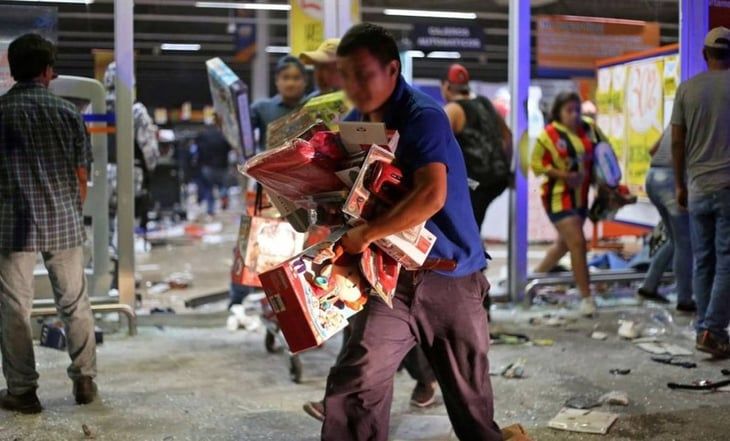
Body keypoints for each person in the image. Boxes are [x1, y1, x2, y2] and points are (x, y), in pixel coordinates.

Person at [321, 23, 501, 441]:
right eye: (346, 76)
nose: (354, 87)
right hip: (391, 280)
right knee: (357, 382)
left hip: (449, 276)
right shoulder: (355, 122)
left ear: (392, 70)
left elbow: (431, 195)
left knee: (470, 402)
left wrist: (366, 234)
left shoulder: (425, 116)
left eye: (363, 75)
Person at [300, 37, 438, 422]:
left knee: (386, 325)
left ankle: (423, 380)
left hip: (397, 237)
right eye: (322, 68)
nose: (322, 74)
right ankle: (354, 406)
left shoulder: (399, 112)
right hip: (356, 230)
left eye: (329, 67)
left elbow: (425, 186)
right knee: (368, 330)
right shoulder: (326, 108)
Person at [0, 34, 98, 414]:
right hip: (64, 221)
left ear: (12, 69)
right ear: (47, 71)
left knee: (14, 309)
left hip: (13, 225)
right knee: (74, 302)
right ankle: (85, 379)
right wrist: (71, 209)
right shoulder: (67, 113)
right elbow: (80, 176)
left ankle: (23, 391)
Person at [672, 26, 730, 358]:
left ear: (705, 55)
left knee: (703, 261)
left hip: (696, 188)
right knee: (726, 261)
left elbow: (677, 141)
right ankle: (714, 330)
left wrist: (680, 183)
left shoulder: (686, 90)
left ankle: (703, 328)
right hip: (726, 187)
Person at [531, 91, 597, 317]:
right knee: (578, 243)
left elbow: (601, 157)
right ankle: (586, 297)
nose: (575, 115)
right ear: (558, 112)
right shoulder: (548, 135)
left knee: (564, 246)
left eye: (577, 110)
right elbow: (536, 165)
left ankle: (531, 281)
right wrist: (563, 175)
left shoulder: (589, 129)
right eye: (569, 110)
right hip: (558, 198)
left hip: (582, 197)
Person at [441, 63, 512, 231]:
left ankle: (473, 254)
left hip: (473, 183)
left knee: (463, 230)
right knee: (472, 225)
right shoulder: (485, 103)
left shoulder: (452, 110)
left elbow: (437, 144)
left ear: (446, 86)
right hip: (497, 180)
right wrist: (504, 167)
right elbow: (508, 138)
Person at [637, 126, 695, 312]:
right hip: (671, 181)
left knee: (674, 240)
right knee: (685, 242)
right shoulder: (704, 116)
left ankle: (648, 286)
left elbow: (653, 150)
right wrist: (681, 184)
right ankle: (685, 300)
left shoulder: (676, 119)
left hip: (653, 177)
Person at [250, 55, 307, 151]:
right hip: (268, 165)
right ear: (277, 80)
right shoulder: (261, 108)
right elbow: (240, 131)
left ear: (305, 81)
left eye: (296, 78)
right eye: (285, 78)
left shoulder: (313, 108)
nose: (290, 83)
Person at [194, 113, 233, 217]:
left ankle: (210, 209)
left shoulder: (203, 136)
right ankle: (224, 197)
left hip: (207, 167)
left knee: (208, 188)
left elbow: (198, 151)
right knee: (222, 185)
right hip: (222, 166)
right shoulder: (223, 135)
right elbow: (229, 148)